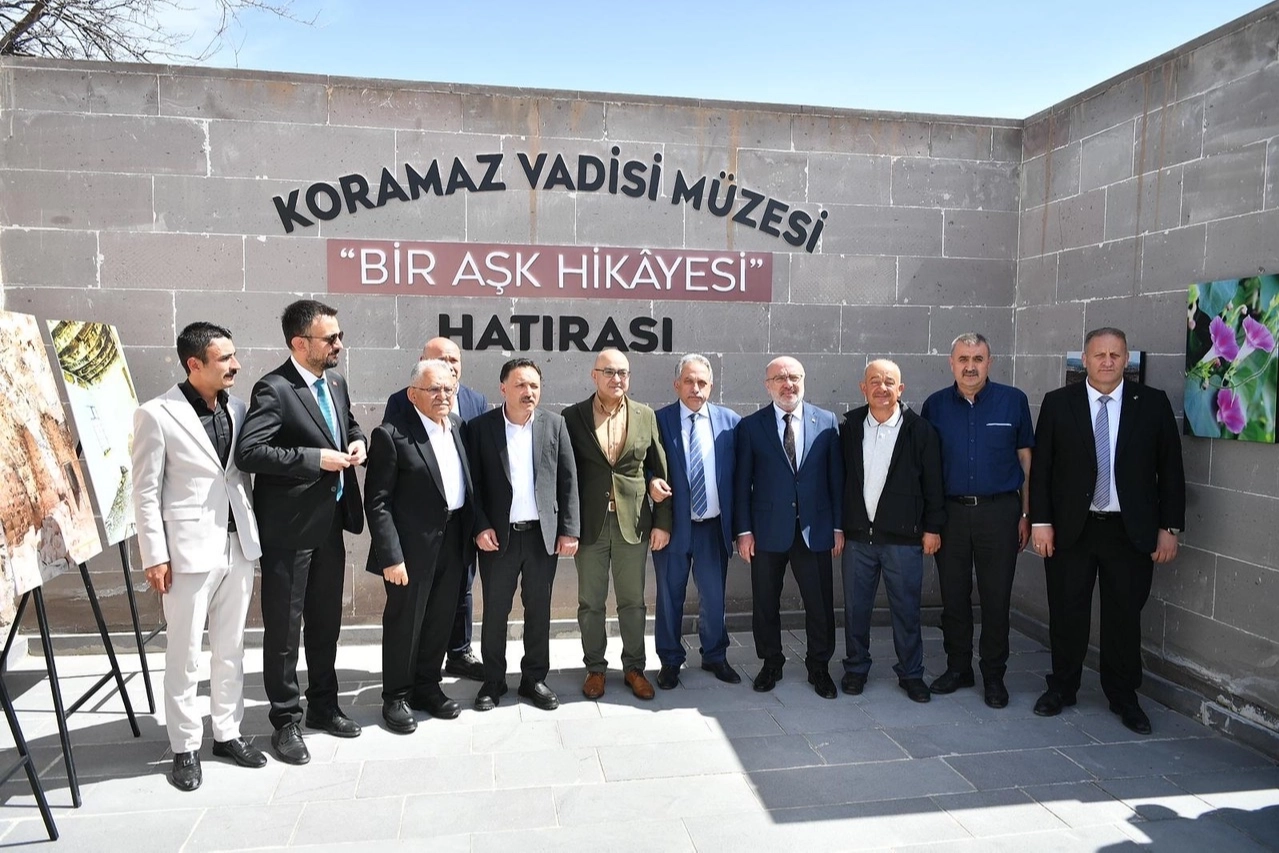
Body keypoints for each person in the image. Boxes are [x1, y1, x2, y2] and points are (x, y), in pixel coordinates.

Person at [1030, 327, 1185, 735]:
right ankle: (1062, 687)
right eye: (1099, 354)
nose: (1107, 361)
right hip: (1072, 530)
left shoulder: (1151, 404)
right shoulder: (1058, 403)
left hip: (1129, 532)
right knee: (1067, 613)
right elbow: (1042, 469)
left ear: (1126, 359)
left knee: (1123, 617)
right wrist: (1041, 523)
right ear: (1085, 359)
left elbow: (1170, 470)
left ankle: (1123, 696)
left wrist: (1169, 527)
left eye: (1115, 354)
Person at [133, 322, 265, 792]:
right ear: (194, 364)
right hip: (186, 553)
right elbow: (145, 492)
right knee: (184, 654)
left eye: (234, 355)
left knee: (231, 649)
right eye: (225, 358)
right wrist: (155, 555)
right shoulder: (156, 414)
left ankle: (227, 733)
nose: (236, 365)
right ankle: (185, 746)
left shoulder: (239, 408)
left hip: (238, 544)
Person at [236, 299, 367, 765]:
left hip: (330, 523)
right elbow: (250, 452)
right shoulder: (273, 389)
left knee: (326, 622)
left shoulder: (335, 382)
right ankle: (285, 721)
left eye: (339, 336)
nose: (339, 344)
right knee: (285, 630)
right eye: (330, 338)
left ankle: (324, 706)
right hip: (289, 530)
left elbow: (347, 424)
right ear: (299, 343)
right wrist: (314, 460)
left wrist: (357, 441)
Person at [921, 333, 1033, 709]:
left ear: (990, 361)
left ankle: (994, 676)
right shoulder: (935, 406)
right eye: (964, 359)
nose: (971, 366)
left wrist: (1026, 514)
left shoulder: (1013, 401)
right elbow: (927, 467)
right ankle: (958, 668)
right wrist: (931, 521)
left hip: (999, 513)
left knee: (996, 598)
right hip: (951, 514)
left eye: (978, 359)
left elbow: (1026, 462)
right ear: (951, 363)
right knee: (954, 596)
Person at [364, 359, 476, 733]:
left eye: (448, 389)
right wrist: (390, 557)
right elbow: (378, 502)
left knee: (441, 618)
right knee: (405, 623)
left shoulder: (457, 427)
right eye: (434, 389)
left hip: (453, 542)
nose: (443, 395)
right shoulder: (392, 435)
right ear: (413, 395)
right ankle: (396, 696)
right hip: (410, 551)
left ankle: (427, 686)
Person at [467, 358, 580, 711]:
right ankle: (493, 680)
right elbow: (473, 485)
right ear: (503, 388)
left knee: (539, 611)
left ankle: (534, 679)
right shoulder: (481, 428)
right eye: (520, 385)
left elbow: (568, 479)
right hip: (498, 538)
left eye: (534, 385)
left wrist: (569, 530)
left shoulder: (555, 425)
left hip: (541, 537)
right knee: (495, 612)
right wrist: (480, 525)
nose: (528, 392)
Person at [563, 349, 672, 700]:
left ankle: (634, 668)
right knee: (590, 602)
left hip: (634, 523)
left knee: (633, 602)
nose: (617, 378)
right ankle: (595, 668)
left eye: (623, 372)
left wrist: (662, 522)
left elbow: (659, 470)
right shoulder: (573, 416)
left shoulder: (644, 415)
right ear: (594, 375)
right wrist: (567, 526)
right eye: (609, 371)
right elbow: (566, 475)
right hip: (590, 525)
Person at [734, 357, 844, 698]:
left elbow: (836, 480)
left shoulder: (826, 421)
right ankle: (771, 663)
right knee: (765, 601)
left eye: (794, 377)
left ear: (804, 380)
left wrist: (838, 527)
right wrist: (743, 531)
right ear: (767, 385)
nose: (788, 384)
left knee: (820, 603)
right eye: (779, 378)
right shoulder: (751, 427)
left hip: (815, 529)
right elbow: (742, 484)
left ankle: (819, 666)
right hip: (767, 531)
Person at [839, 359, 945, 703]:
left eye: (889, 382)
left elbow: (934, 485)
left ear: (900, 389)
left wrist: (932, 529)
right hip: (858, 538)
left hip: (904, 540)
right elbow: (840, 480)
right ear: (863, 388)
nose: (881, 388)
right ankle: (856, 668)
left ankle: (911, 674)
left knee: (906, 611)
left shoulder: (920, 431)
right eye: (874, 381)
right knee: (856, 610)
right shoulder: (850, 427)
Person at [386, 336, 488, 682]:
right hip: (420, 529)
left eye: (454, 361)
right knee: (413, 608)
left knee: (457, 594)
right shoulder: (401, 405)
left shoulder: (472, 404)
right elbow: (392, 469)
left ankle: (454, 657)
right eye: (441, 360)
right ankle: (402, 684)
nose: (449, 368)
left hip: (459, 524)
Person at [652, 354, 742, 689]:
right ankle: (670, 660)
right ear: (677, 384)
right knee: (669, 596)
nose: (695, 388)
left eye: (702, 382)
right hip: (674, 527)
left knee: (714, 598)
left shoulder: (730, 422)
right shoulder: (659, 421)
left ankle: (715, 655)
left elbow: (741, 476)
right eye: (689, 381)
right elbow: (645, 464)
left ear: (711, 386)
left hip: (712, 528)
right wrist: (650, 482)